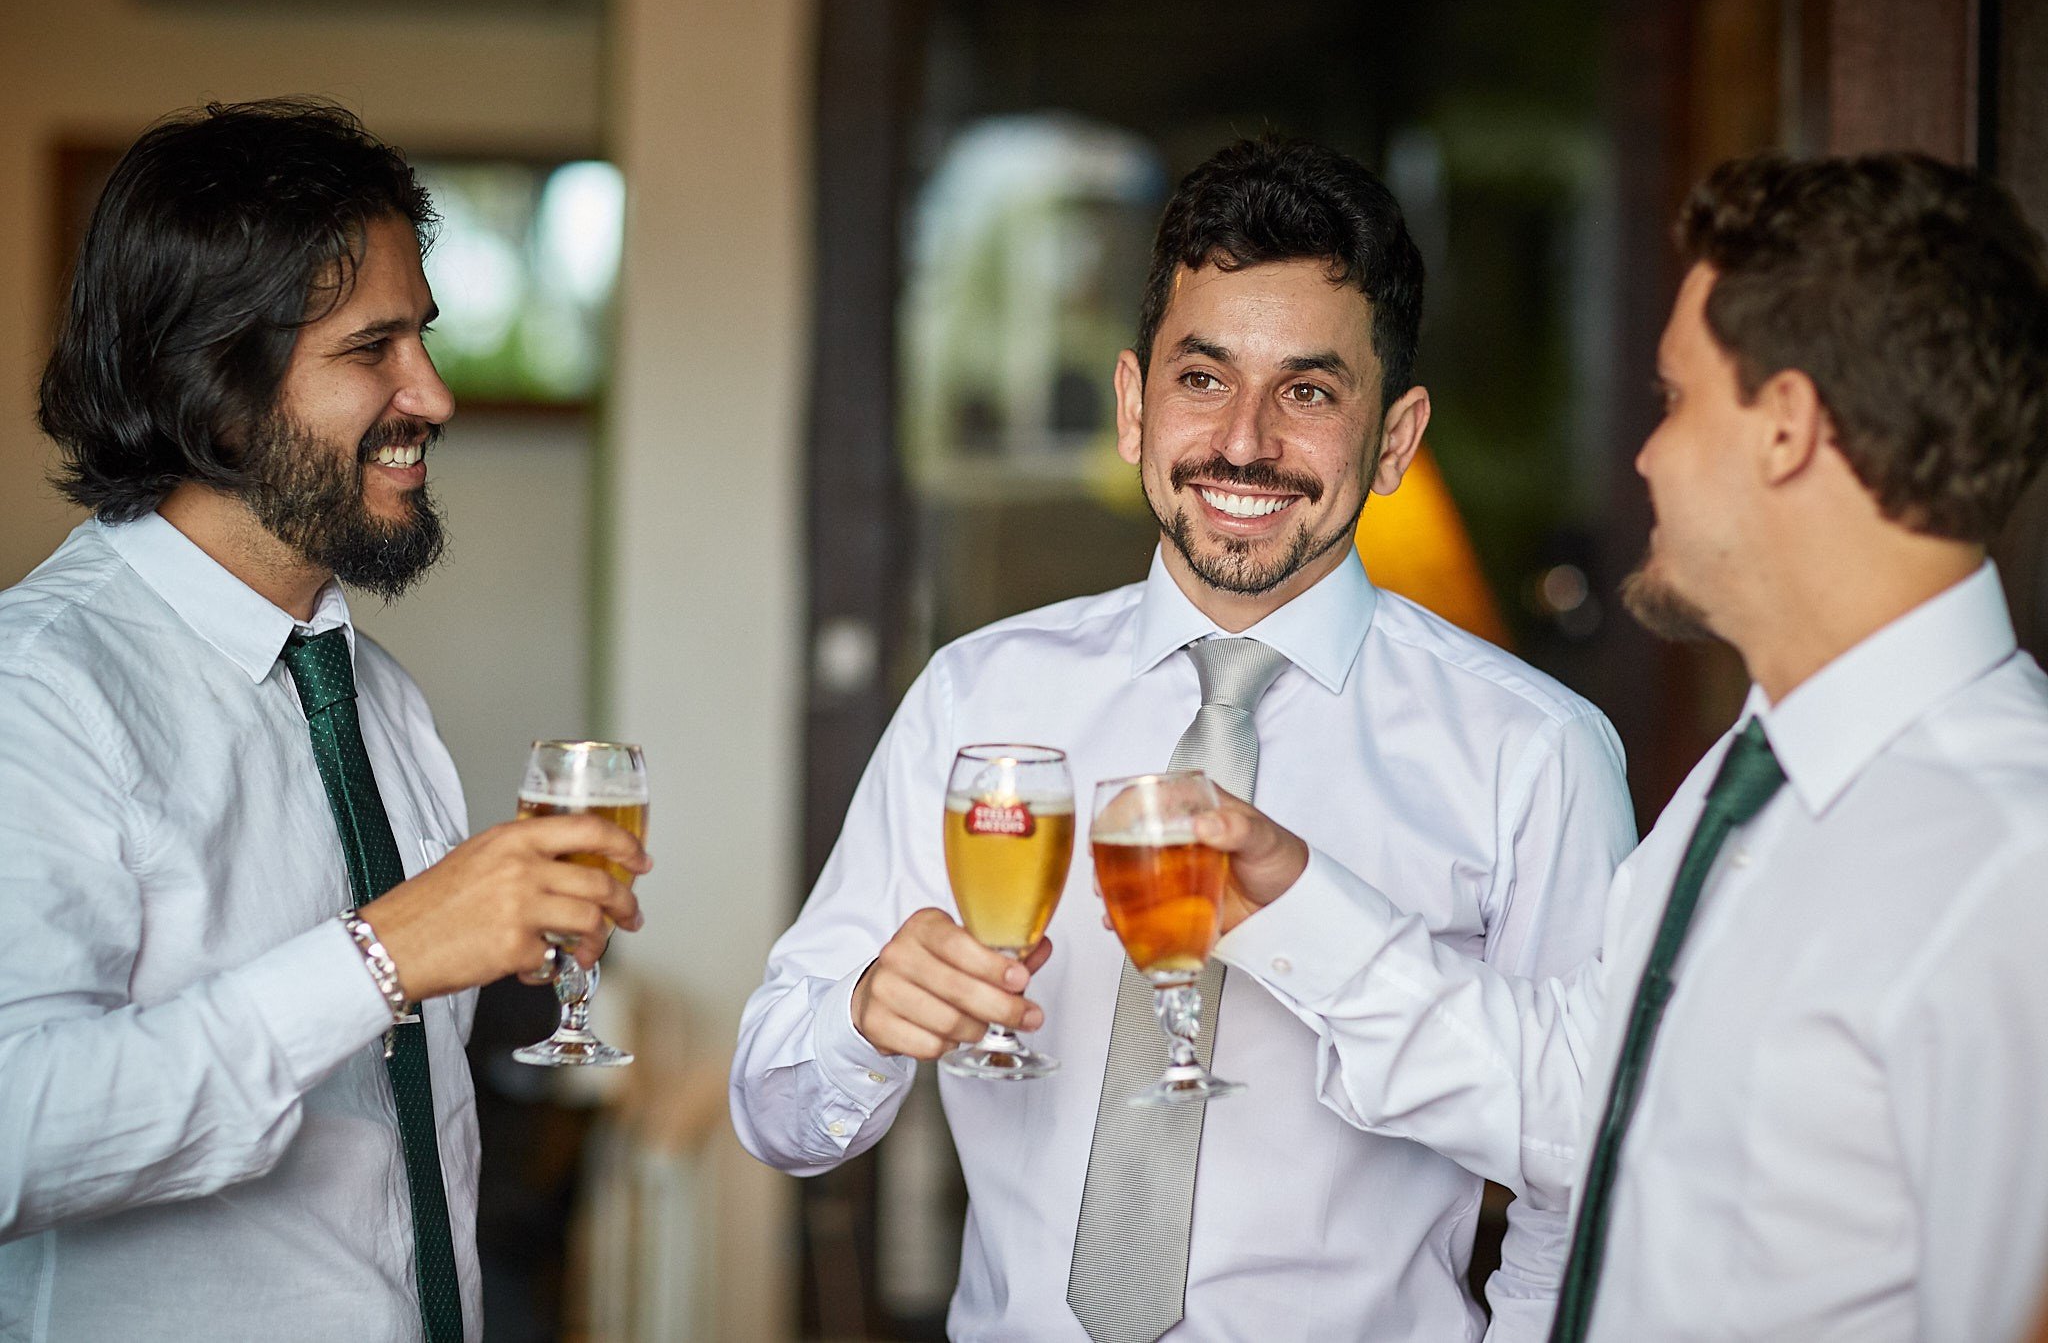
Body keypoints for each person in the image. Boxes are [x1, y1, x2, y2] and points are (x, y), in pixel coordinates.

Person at [731, 136, 1638, 1341]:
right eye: (1202, 379)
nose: (1245, 441)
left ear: (1395, 438)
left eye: (1308, 392)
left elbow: (1579, 1188)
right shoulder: (975, 700)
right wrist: (858, 1019)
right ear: (1131, 403)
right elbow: (777, 1118)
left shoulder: (1535, 753)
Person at [1198, 152, 2048, 1342]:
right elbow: (1578, 1101)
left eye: (1675, 400)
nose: (1644, 457)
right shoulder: (1746, 785)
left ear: (1785, 431)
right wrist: (1295, 904)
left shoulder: (2010, 867)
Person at [0, 100, 649, 1343]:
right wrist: (381, 957)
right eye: (373, 350)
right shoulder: (40, 689)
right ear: (214, 386)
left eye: (427, 338)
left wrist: (492, 951)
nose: (435, 395)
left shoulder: (374, 694)